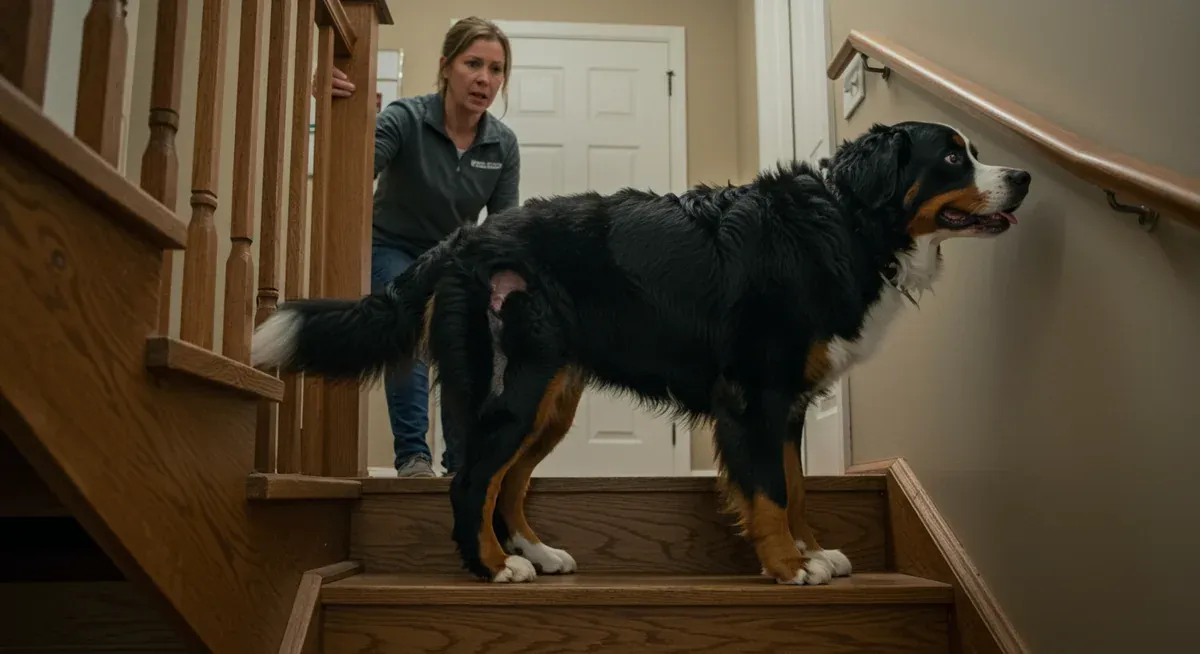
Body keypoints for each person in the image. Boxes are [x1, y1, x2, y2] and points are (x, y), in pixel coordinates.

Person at [323, 17, 520, 477]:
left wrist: (502, 287)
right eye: (473, 63)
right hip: (392, 245)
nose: (484, 79)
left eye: (496, 69)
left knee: (463, 345)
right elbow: (354, 171)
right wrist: (339, 115)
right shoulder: (404, 118)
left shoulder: (503, 144)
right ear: (446, 67)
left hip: (455, 256)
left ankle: (461, 463)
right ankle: (413, 457)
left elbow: (505, 225)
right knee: (408, 332)